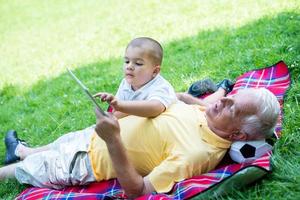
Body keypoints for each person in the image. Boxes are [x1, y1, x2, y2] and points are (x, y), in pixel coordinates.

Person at [1, 88, 280, 198]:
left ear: (238, 136)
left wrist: (112, 141)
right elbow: (189, 101)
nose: (223, 100)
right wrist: (213, 93)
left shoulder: (196, 154)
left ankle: (17, 164)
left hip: (86, 162)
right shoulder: (210, 115)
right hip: (93, 135)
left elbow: (139, 190)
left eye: (232, 107)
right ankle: (21, 150)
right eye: (231, 95)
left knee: (24, 170)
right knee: (56, 143)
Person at [93, 37, 177, 119]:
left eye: (138, 63)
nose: (129, 66)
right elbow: (118, 110)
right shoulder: (126, 83)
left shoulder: (160, 86)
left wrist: (120, 106)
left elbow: (155, 108)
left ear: (155, 71)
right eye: (127, 61)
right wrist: (112, 107)